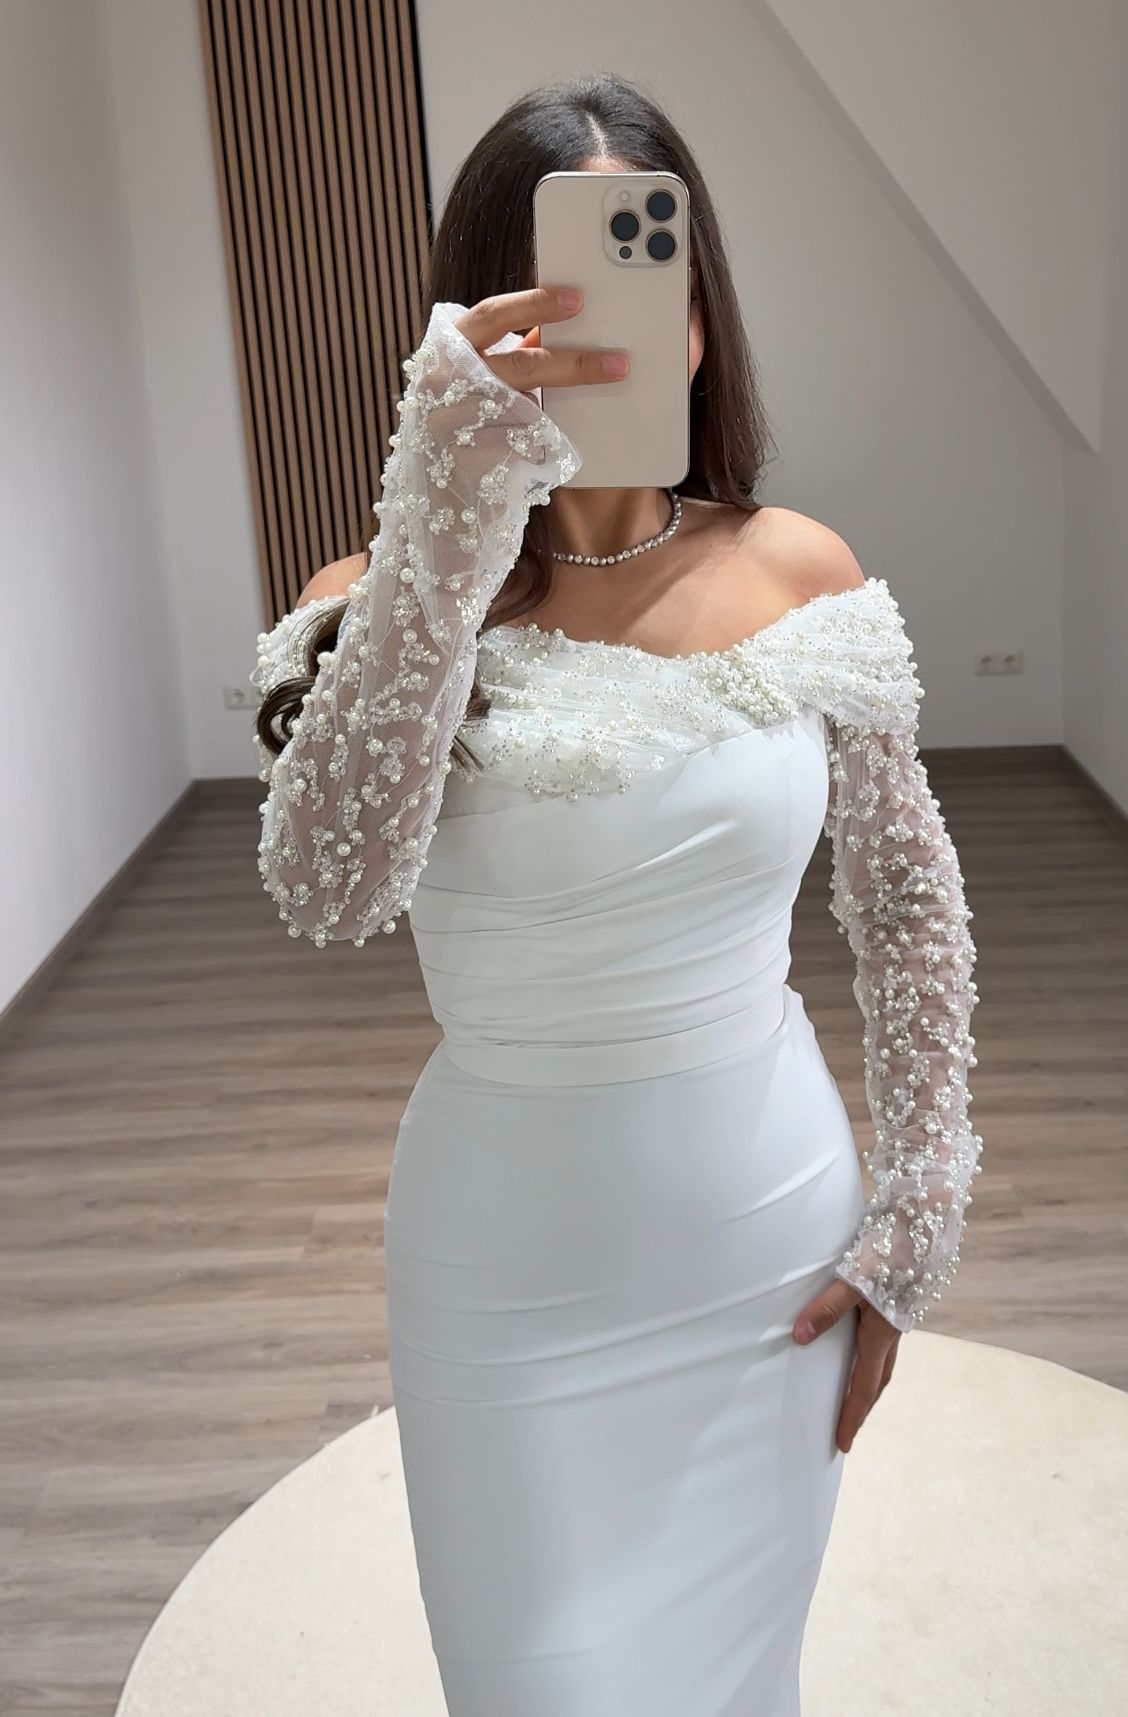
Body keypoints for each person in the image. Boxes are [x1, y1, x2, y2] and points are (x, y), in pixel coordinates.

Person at [250, 72, 981, 1717]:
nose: (611, 340)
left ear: (705, 323)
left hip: (766, 1238)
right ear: (472, 332)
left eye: (655, 287)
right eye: (553, 301)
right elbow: (328, 881)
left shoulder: (800, 569)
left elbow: (905, 898)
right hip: (502, 1266)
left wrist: (917, 1215)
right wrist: (442, 518)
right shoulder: (380, 600)